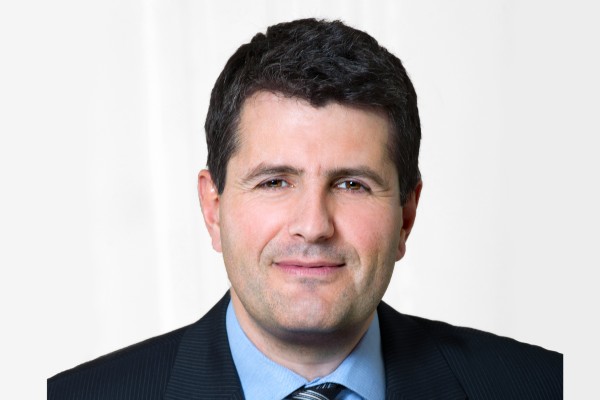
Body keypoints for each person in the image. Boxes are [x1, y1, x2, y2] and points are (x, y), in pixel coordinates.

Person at [48, 18, 562, 399]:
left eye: (352, 185)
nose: (314, 226)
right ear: (213, 208)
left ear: (406, 215)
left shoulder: (546, 387)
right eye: (275, 181)